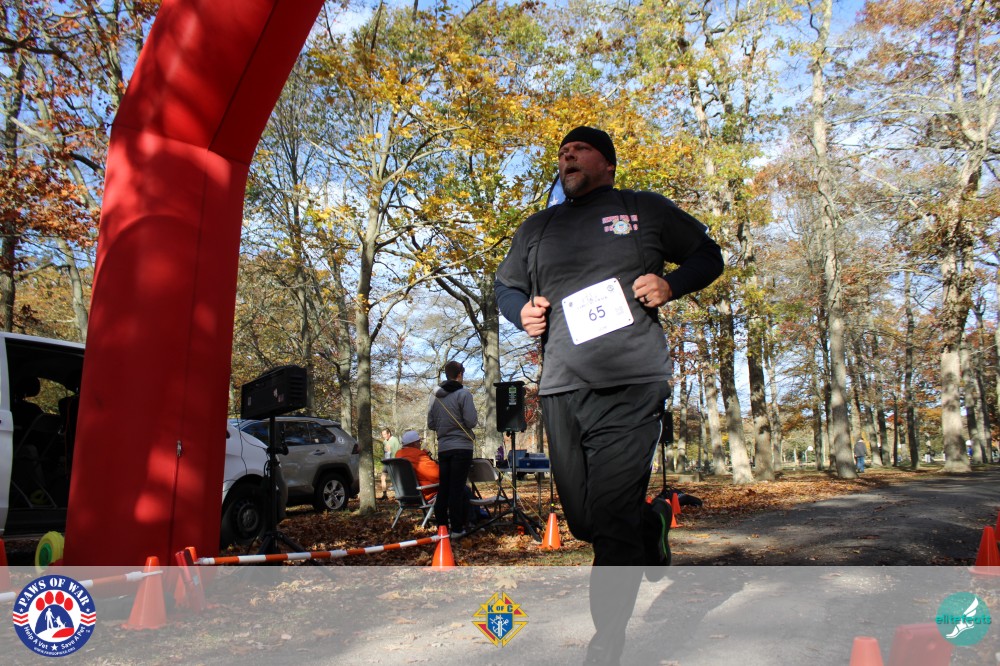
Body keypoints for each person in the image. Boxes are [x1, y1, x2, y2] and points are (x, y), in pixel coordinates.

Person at [495, 126, 724, 664]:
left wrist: (671, 285)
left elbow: (707, 255)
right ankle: (652, 521)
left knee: (612, 518)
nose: (567, 155)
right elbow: (506, 286)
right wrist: (519, 311)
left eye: (580, 149)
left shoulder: (642, 209)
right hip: (562, 386)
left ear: (608, 164)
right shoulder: (538, 227)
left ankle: (607, 644)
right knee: (584, 521)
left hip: (632, 381)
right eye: (562, 152)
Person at [427, 360, 478, 536]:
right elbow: (471, 422)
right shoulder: (464, 394)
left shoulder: (435, 396)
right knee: (457, 488)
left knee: (444, 488)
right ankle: (456, 528)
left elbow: (431, 424)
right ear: (460, 374)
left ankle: (442, 527)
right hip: (462, 447)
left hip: (444, 448)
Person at [394, 430, 439, 501]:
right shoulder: (418, 455)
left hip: (405, 494)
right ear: (414, 443)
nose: (420, 444)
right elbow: (437, 475)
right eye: (419, 442)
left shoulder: (398, 455)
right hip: (426, 493)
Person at [379, 428, 402, 499]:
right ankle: (384, 495)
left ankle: (398, 494)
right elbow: (385, 452)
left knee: (394, 479)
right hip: (386, 462)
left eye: (385, 434)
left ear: (389, 433)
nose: (383, 436)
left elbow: (398, 451)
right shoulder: (384, 442)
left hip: (393, 462)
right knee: (383, 477)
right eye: (383, 435)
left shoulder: (395, 440)